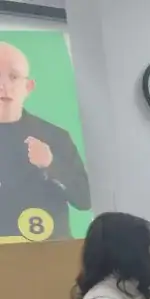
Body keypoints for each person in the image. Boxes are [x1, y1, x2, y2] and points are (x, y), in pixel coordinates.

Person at [0, 41, 91, 240]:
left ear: (28, 86)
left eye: (13, 77)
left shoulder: (55, 137)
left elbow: (85, 200)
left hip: (47, 255)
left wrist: (51, 164)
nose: (3, 86)